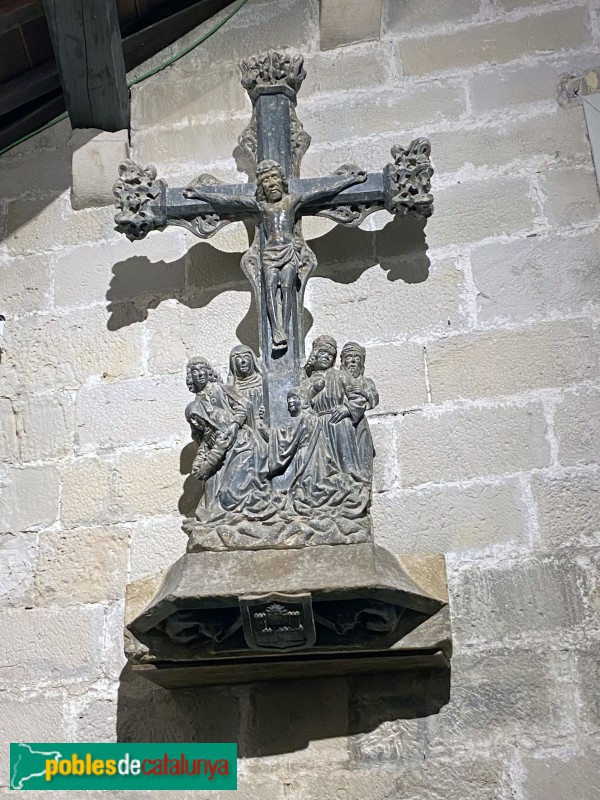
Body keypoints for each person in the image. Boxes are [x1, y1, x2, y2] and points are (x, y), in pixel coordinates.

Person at [184, 160, 367, 351]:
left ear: (282, 181)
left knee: (287, 287)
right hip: (269, 253)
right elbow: (229, 201)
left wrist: (348, 182)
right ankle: (276, 329)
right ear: (261, 187)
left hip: (288, 250)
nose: (271, 184)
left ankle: (284, 328)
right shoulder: (261, 207)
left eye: (274, 178)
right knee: (270, 288)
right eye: (266, 181)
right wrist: (199, 194)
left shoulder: (291, 201)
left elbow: (322, 192)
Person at [185, 356, 274, 522]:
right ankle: (212, 513)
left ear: (208, 371)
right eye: (194, 371)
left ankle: (238, 508)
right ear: (190, 377)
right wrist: (202, 463)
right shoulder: (196, 404)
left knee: (230, 489)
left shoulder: (222, 389)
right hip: (220, 447)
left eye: (202, 369)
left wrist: (234, 426)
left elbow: (242, 407)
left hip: (241, 442)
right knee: (211, 482)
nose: (199, 374)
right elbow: (203, 437)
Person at [301, 335, 368, 486]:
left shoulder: (341, 375)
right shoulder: (307, 380)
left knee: (344, 461)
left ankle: (352, 482)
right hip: (317, 424)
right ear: (314, 355)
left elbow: (358, 397)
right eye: (323, 353)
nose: (326, 357)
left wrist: (347, 408)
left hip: (339, 422)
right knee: (322, 463)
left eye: (330, 355)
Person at [340, 342, 379, 478]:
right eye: (349, 357)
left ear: (362, 362)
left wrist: (363, 391)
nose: (352, 360)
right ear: (343, 361)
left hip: (360, 425)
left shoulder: (366, 381)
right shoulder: (338, 379)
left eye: (357, 357)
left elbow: (374, 398)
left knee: (362, 454)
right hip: (341, 426)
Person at [227, 344, 265, 430]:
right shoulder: (232, 389)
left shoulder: (263, 382)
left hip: (264, 426)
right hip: (245, 430)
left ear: (252, 360)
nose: (243, 361)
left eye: (246, 356)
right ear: (233, 364)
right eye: (238, 358)